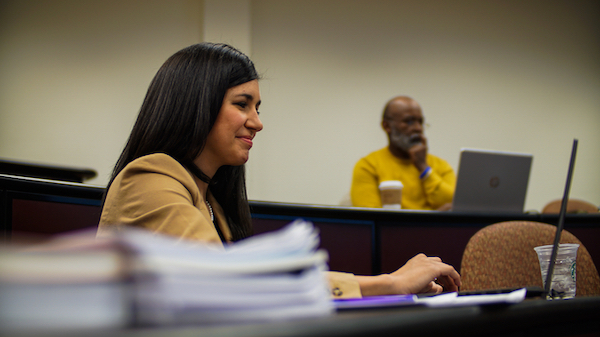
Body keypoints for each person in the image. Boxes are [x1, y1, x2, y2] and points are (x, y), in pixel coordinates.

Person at [98, 43, 460, 299]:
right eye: (243, 104)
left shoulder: (212, 203)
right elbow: (232, 284)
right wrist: (390, 284)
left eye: (257, 107)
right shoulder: (150, 178)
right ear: (197, 105)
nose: (257, 123)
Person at [350, 96, 455, 210]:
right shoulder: (368, 166)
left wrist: (424, 168)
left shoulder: (441, 165)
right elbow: (372, 220)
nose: (418, 128)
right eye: (409, 121)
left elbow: (455, 208)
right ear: (387, 126)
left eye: (420, 122)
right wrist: (433, 219)